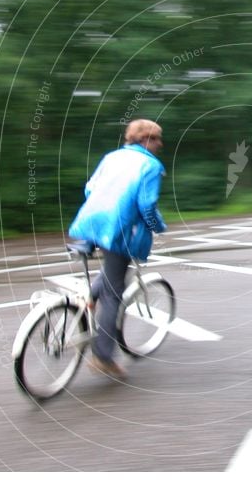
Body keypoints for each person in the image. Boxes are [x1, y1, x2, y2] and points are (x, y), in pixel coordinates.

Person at [68, 119, 167, 378]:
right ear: (146, 139)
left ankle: (88, 297)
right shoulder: (151, 165)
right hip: (119, 229)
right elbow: (146, 206)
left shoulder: (112, 157)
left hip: (92, 221)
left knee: (110, 275)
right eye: (157, 139)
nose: (160, 144)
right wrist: (158, 225)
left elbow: (90, 188)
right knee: (114, 295)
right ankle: (103, 356)